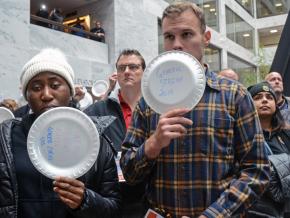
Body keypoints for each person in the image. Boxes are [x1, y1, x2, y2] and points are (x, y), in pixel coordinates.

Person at [120, 2, 270, 217]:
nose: (177, 44)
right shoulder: (148, 102)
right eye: (169, 37)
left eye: (187, 34)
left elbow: (256, 170)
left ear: (206, 38)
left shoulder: (233, 95)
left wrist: (214, 215)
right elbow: (127, 173)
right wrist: (153, 144)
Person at [0, 48, 121, 218]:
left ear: (70, 92)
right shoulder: (7, 138)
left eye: (55, 85)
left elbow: (113, 207)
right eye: (36, 87)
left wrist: (85, 200)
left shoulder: (94, 140)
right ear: (26, 96)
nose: (46, 94)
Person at [85, 49, 146, 217]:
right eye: (121, 68)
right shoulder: (97, 111)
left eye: (133, 67)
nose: (126, 71)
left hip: (151, 198)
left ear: (144, 72)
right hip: (113, 199)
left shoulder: (157, 108)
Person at [247, 81, 290, 217]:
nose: (264, 100)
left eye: (269, 97)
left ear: (276, 106)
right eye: (258, 97)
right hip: (256, 208)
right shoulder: (243, 136)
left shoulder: (286, 134)